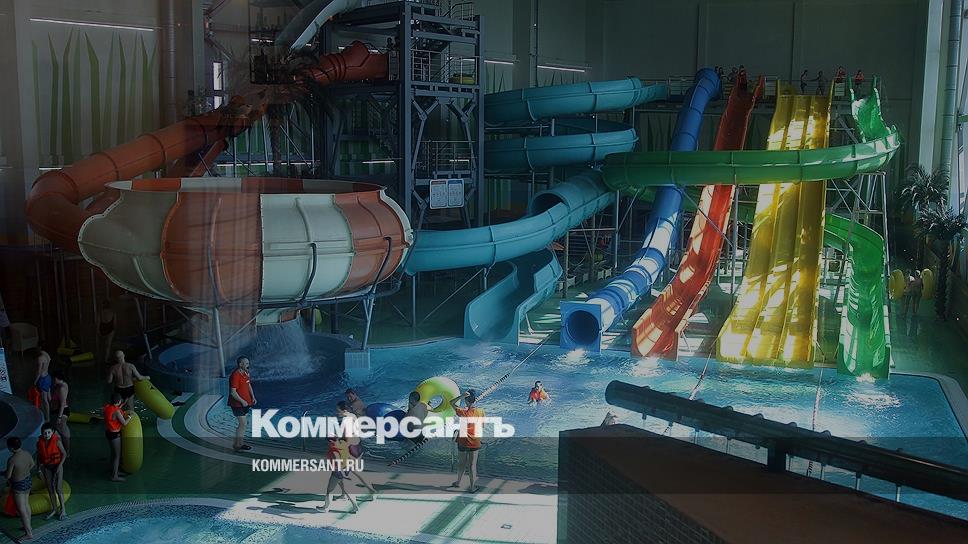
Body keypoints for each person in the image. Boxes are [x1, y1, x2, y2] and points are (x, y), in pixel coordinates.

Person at [334, 401, 376, 495]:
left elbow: (347, 439)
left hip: (350, 450)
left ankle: (371, 490)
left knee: (343, 472)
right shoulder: (352, 415)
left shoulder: (346, 421)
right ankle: (344, 494)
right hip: (357, 447)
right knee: (347, 471)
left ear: (344, 410)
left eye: (338, 411)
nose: (337, 413)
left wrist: (337, 441)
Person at [449, 390, 484, 493]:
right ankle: (472, 488)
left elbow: (451, 402)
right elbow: (482, 426)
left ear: (466, 401)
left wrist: (461, 396)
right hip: (474, 442)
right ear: (474, 400)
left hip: (463, 441)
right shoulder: (481, 412)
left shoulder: (462, 412)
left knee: (461, 464)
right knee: (472, 466)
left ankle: (458, 482)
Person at [317, 438, 357, 514]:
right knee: (345, 490)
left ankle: (325, 507)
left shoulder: (334, 451)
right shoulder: (340, 446)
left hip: (337, 473)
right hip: (342, 471)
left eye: (329, 441)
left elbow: (338, 463)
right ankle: (355, 506)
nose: (328, 443)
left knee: (329, 490)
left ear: (331, 441)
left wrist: (343, 474)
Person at [36, 423, 67, 520]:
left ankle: (63, 510)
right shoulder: (39, 443)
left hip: (57, 466)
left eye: (49, 432)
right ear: (42, 433)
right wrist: (38, 469)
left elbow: (64, 454)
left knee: (58, 488)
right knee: (50, 488)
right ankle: (54, 509)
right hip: (47, 467)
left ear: (52, 432)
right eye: (45, 433)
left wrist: (60, 466)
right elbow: (39, 457)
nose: (47, 435)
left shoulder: (57, 441)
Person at [5, 437, 34, 540]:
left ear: (11, 448)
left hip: (18, 485)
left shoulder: (12, 460)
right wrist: (24, 471)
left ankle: (29, 533)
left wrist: (5, 473)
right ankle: (28, 526)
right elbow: (32, 464)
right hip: (28, 481)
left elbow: (8, 476)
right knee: (26, 504)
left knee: (21, 509)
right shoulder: (27, 454)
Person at [228, 357, 256, 452]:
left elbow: (248, 385)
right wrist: (242, 401)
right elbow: (233, 392)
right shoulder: (235, 375)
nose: (248, 365)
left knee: (243, 424)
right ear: (240, 364)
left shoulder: (246, 373)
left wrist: (253, 396)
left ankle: (239, 443)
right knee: (243, 423)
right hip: (237, 404)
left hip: (246, 403)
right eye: (246, 363)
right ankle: (237, 445)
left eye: (248, 363)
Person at [103, 392, 131, 482]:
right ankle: (114, 476)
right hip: (115, 435)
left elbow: (115, 408)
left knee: (113, 453)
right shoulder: (117, 412)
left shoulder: (107, 407)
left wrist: (123, 404)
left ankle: (114, 470)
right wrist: (130, 417)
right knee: (117, 456)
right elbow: (124, 423)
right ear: (118, 401)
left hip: (108, 432)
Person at [50, 370, 71, 453]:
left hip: (61, 411)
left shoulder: (62, 388)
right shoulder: (62, 384)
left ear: (57, 378)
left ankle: (67, 451)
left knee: (63, 429)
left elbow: (62, 404)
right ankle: (63, 449)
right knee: (59, 429)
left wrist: (59, 417)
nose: (52, 380)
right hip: (58, 409)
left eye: (53, 379)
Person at [32, 349, 51, 422]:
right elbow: (50, 360)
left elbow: (39, 372)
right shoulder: (46, 354)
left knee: (44, 400)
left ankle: (47, 418)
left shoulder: (40, 358)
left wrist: (35, 381)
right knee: (49, 398)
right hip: (48, 377)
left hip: (43, 379)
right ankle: (53, 413)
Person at [98, 300, 116, 366]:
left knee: (103, 345)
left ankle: (102, 359)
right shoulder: (113, 312)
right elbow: (115, 323)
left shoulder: (100, 312)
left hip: (102, 327)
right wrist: (115, 330)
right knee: (108, 345)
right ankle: (106, 359)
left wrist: (98, 331)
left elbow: (98, 322)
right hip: (110, 327)